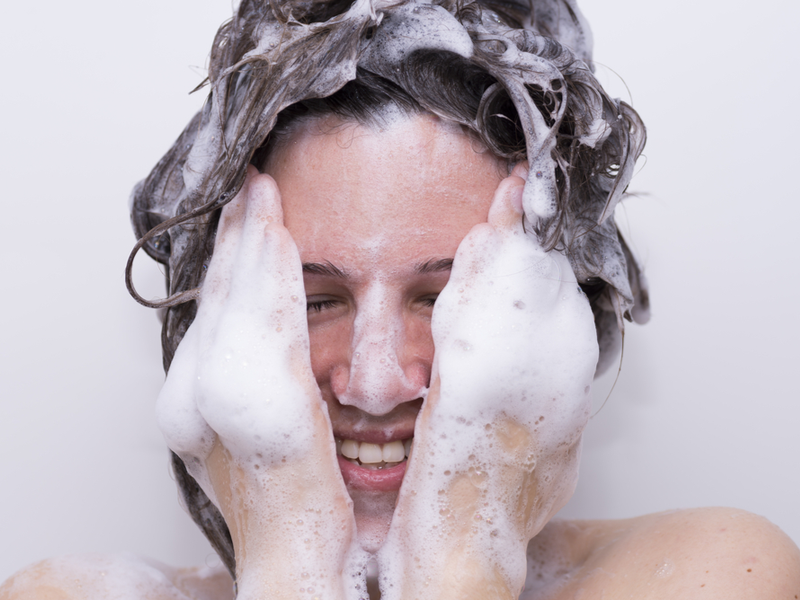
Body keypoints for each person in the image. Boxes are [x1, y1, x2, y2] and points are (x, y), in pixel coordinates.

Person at [2, 0, 799, 598]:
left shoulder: (707, 577)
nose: (375, 381)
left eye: (447, 294)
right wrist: (290, 567)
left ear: (563, 318)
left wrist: (462, 564)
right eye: (313, 299)